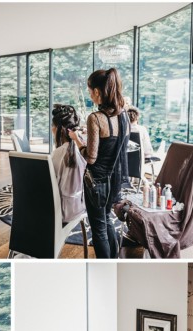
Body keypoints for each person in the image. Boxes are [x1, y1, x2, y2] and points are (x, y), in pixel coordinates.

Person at [69, 67, 130, 259]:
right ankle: (114, 260)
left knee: (98, 229)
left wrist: (78, 141)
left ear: (97, 92)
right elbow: (115, 147)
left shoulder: (95, 118)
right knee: (107, 221)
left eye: (89, 91)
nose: (90, 95)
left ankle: (105, 266)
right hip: (115, 180)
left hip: (97, 182)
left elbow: (91, 157)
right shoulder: (124, 116)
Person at [51, 104, 87, 224]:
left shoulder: (58, 153)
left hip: (62, 212)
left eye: (53, 125)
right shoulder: (83, 150)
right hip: (80, 206)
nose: (52, 129)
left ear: (60, 130)